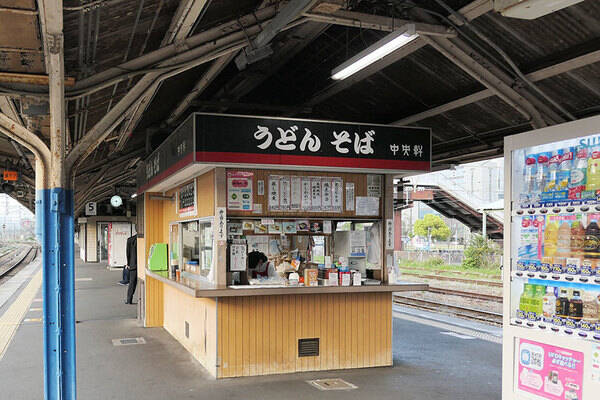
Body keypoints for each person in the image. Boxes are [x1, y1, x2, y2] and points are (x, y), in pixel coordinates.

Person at [125, 234, 138, 304]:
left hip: (133, 264)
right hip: (142, 264)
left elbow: (128, 253)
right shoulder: (143, 239)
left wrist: (128, 264)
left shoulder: (130, 240)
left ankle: (129, 300)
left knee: (132, 283)